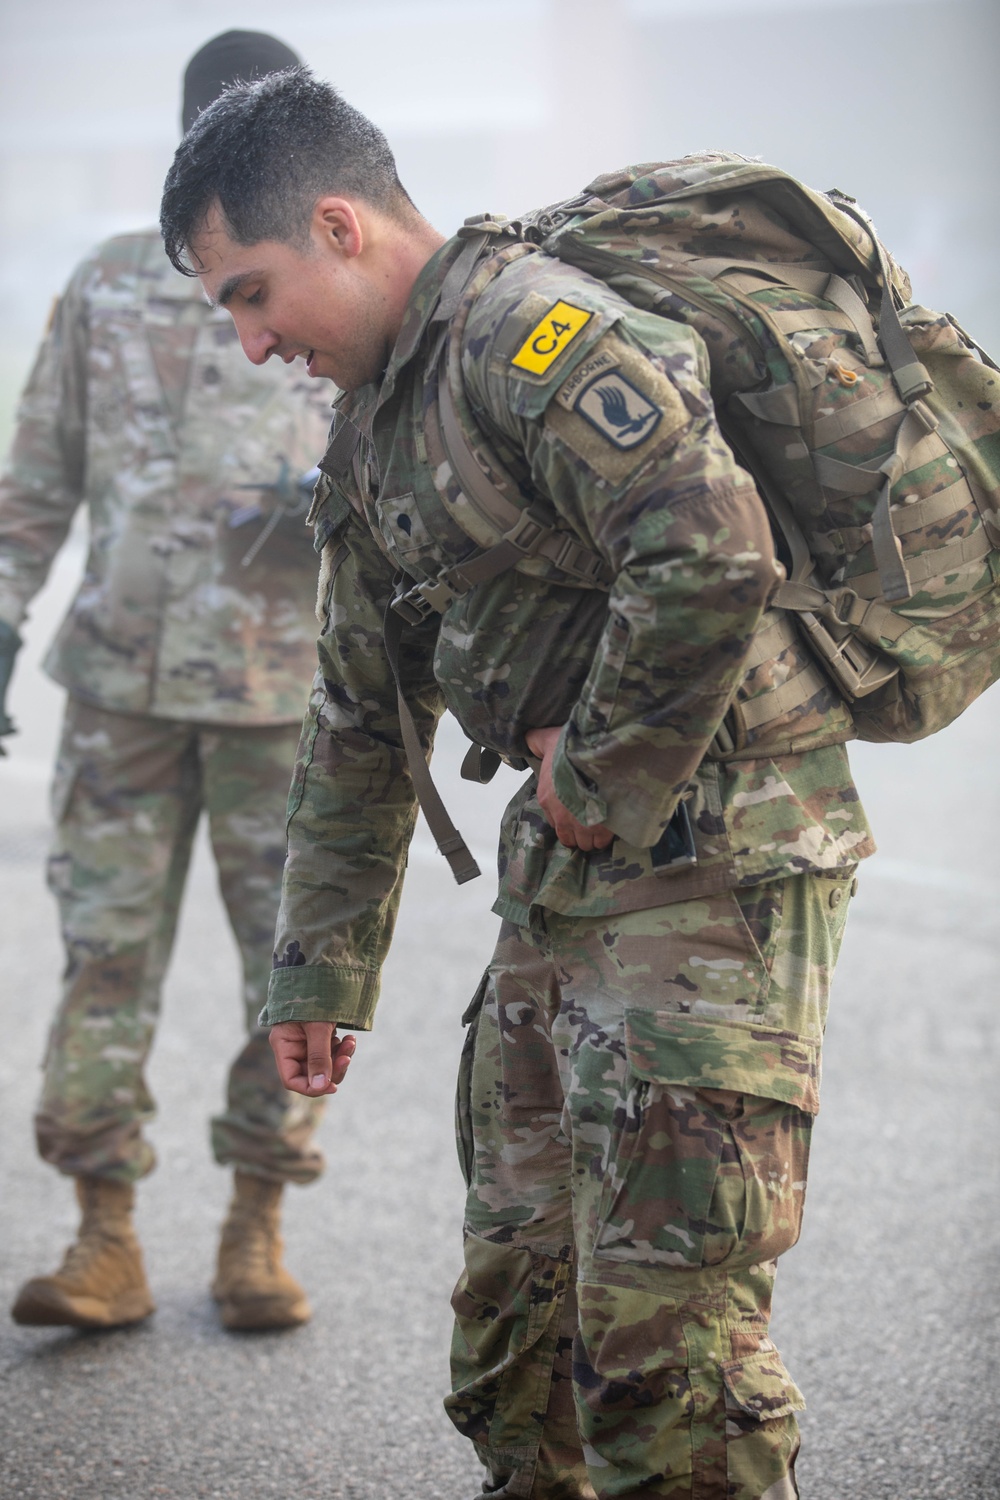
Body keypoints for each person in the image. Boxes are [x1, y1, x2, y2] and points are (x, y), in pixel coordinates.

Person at [159, 68, 875, 1499]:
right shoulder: (373, 432)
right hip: (569, 882)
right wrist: (318, 975)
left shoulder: (531, 337)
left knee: (668, 1363)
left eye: (250, 294)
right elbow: (362, 715)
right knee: (520, 1328)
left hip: (715, 872)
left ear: (342, 227)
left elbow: (712, 548)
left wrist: (593, 772)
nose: (248, 343)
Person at [2, 35, 334, 1334]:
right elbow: (34, 481)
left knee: (293, 974)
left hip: (283, 696)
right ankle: (105, 1237)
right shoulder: (102, 284)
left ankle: (259, 1221)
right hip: (121, 696)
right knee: (104, 961)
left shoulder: (320, 281)